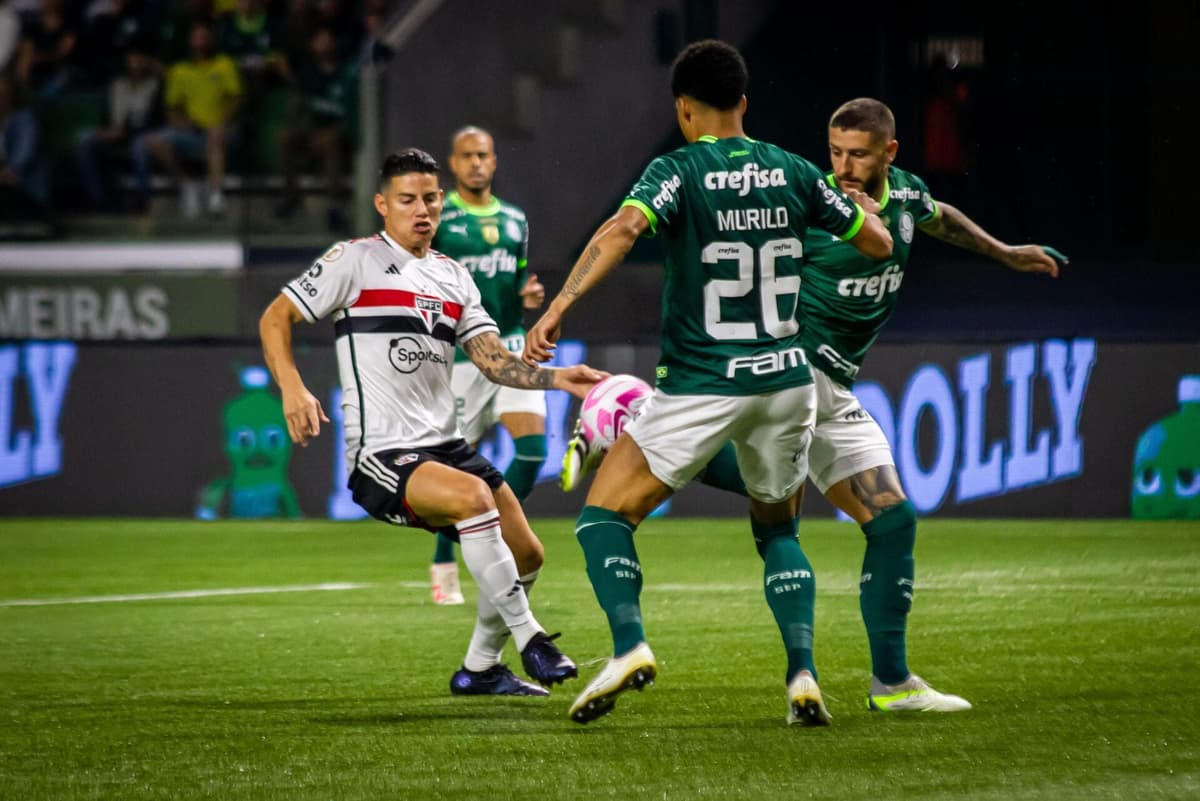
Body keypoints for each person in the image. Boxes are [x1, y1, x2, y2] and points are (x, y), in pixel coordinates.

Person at [523, 39, 892, 726]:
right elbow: (877, 243)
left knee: (604, 517)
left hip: (701, 381)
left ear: (684, 109)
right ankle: (803, 673)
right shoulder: (795, 170)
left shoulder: (678, 167)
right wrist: (850, 214)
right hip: (787, 380)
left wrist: (561, 305)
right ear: (744, 104)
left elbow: (625, 229)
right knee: (779, 531)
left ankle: (630, 644)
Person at [259, 147, 601, 697]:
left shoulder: (453, 275)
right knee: (474, 498)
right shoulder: (354, 260)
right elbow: (276, 316)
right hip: (382, 456)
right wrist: (292, 387)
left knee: (529, 553)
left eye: (430, 199)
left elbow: (492, 360)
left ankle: (481, 669)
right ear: (382, 205)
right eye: (408, 200)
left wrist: (559, 379)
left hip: (445, 446)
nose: (422, 210)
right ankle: (531, 637)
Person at [798, 97, 1062, 711]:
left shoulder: (906, 194)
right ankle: (640, 422)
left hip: (833, 386)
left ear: (889, 153)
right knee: (774, 504)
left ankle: (891, 685)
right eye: (834, 151)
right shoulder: (816, 206)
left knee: (891, 522)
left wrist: (1003, 252)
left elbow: (935, 214)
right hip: (794, 374)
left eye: (857, 155)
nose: (842, 166)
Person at [424, 126, 546, 606]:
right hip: (460, 358)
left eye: (483, 155)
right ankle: (444, 564)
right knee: (455, 471)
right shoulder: (441, 217)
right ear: (452, 164)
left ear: (494, 162)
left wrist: (528, 295)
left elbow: (517, 280)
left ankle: (494, 542)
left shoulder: (516, 219)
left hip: (511, 348)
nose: (476, 162)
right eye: (466, 156)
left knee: (533, 452)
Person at [132, 20, 241, 218]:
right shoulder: (180, 71)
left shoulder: (224, 65)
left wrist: (222, 122)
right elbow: (172, 108)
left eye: (204, 37)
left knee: (215, 136)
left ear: (212, 41)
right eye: (196, 37)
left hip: (221, 130)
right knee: (149, 142)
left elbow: (236, 98)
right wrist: (183, 123)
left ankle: (216, 196)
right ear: (190, 42)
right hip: (191, 132)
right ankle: (186, 185)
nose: (201, 40)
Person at [273, 25, 357, 235]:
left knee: (329, 141)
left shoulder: (348, 73)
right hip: (314, 132)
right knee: (285, 138)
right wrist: (293, 125)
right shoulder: (308, 73)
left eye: (327, 39)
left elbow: (353, 114)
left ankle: (335, 205)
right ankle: (291, 195)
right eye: (319, 40)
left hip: (341, 134)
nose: (324, 44)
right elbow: (297, 102)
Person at [74, 41, 162, 210]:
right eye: (132, 58)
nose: (136, 62)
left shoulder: (154, 85)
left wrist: (124, 131)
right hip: (114, 131)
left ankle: (142, 199)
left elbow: (152, 119)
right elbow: (107, 116)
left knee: (140, 145)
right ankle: (96, 198)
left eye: (140, 58)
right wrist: (107, 130)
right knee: (85, 139)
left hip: (140, 132)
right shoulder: (117, 84)